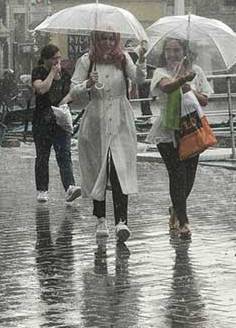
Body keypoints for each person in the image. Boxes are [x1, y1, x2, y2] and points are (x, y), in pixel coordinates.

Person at [70, 30, 147, 243]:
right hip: (96, 117)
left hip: (120, 116)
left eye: (111, 38)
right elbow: (73, 90)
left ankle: (122, 220)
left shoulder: (123, 60)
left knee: (120, 167)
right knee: (98, 167)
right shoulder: (86, 61)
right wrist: (87, 84)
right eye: (102, 38)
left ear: (116, 40)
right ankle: (101, 218)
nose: (107, 42)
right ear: (96, 40)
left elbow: (139, 78)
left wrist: (141, 58)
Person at [147, 38, 213, 239]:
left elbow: (205, 99)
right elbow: (166, 87)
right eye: (168, 50)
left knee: (189, 175)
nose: (172, 54)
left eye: (176, 50)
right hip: (168, 130)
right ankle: (184, 221)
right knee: (177, 174)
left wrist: (190, 88)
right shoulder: (161, 72)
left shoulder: (197, 72)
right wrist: (182, 80)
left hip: (191, 127)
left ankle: (176, 208)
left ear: (184, 51)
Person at [32, 44, 82, 203]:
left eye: (59, 58)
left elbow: (71, 93)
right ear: (46, 59)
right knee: (42, 155)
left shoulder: (65, 74)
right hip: (42, 119)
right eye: (54, 58)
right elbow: (41, 89)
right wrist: (52, 73)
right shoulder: (39, 72)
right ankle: (42, 190)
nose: (57, 61)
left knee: (64, 154)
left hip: (60, 120)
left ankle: (69, 187)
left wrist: (64, 101)